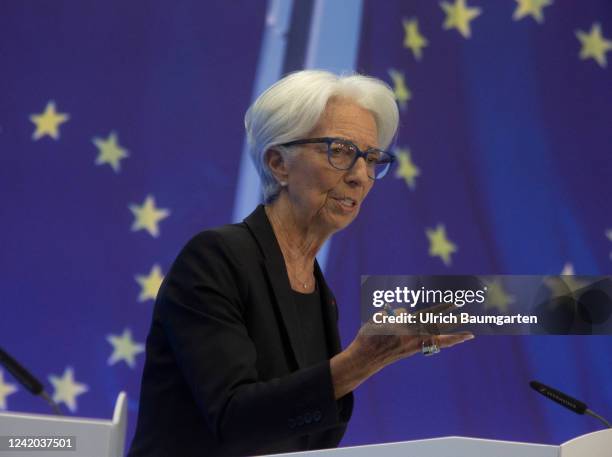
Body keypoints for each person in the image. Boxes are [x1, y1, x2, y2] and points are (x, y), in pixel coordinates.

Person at [127, 70, 474, 457]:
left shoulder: (319, 292)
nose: (360, 176)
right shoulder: (216, 259)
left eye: (372, 158)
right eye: (340, 151)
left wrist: (378, 356)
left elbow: (309, 436)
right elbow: (233, 420)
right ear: (279, 163)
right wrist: (361, 361)